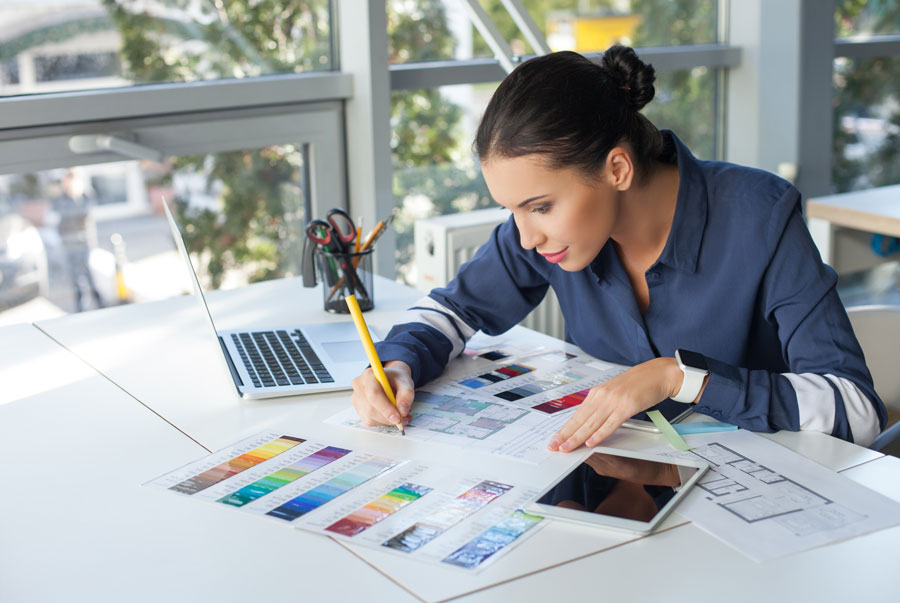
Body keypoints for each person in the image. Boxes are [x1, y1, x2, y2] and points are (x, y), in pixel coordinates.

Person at [350, 46, 886, 453]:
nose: (526, 237)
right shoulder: (548, 236)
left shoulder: (759, 215)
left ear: (618, 169)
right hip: (619, 484)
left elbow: (857, 410)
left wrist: (681, 378)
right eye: (510, 211)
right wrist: (398, 364)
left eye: (539, 206)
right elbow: (453, 308)